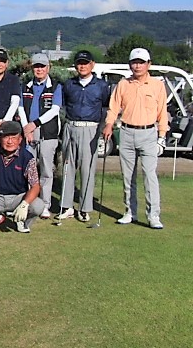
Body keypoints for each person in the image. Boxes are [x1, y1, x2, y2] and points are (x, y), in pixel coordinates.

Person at [103, 48, 168, 229]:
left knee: (149, 175)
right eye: (134, 62)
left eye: (141, 62)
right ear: (130, 65)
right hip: (126, 132)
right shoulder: (123, 84)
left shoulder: (157, 85)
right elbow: (114, 107)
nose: (137, 66)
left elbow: (163, 113)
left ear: (149, 64)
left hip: (148, 133)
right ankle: (130, 212)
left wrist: (162, 136)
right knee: (127, 176)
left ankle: (153, 215)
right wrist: (109, 124)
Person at [58, 50, 110, 222]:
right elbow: (64, 105)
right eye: (79, 63)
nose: (82, 66)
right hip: (70, 126)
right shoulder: (69, 84)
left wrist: (102, 127)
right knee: (68, 168)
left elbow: (105, 107)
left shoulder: (101, 85)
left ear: (92, 64)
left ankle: (85, 208)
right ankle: (66, 207)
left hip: (90, 129)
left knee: (87, 170)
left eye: (85, 63)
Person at [17, 53, 62, 219]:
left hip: (47, 132)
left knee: (46, 170)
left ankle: (45, 204)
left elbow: (55, 110)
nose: (39, 69)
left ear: (48, 68)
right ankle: (28, 202)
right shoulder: (25, 86)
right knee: (28, 169)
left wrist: (34, 124)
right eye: (36, 66)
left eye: (42, 66)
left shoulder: (55, 86)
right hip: (29, 131)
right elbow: (21, 108)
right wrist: (26, 128)